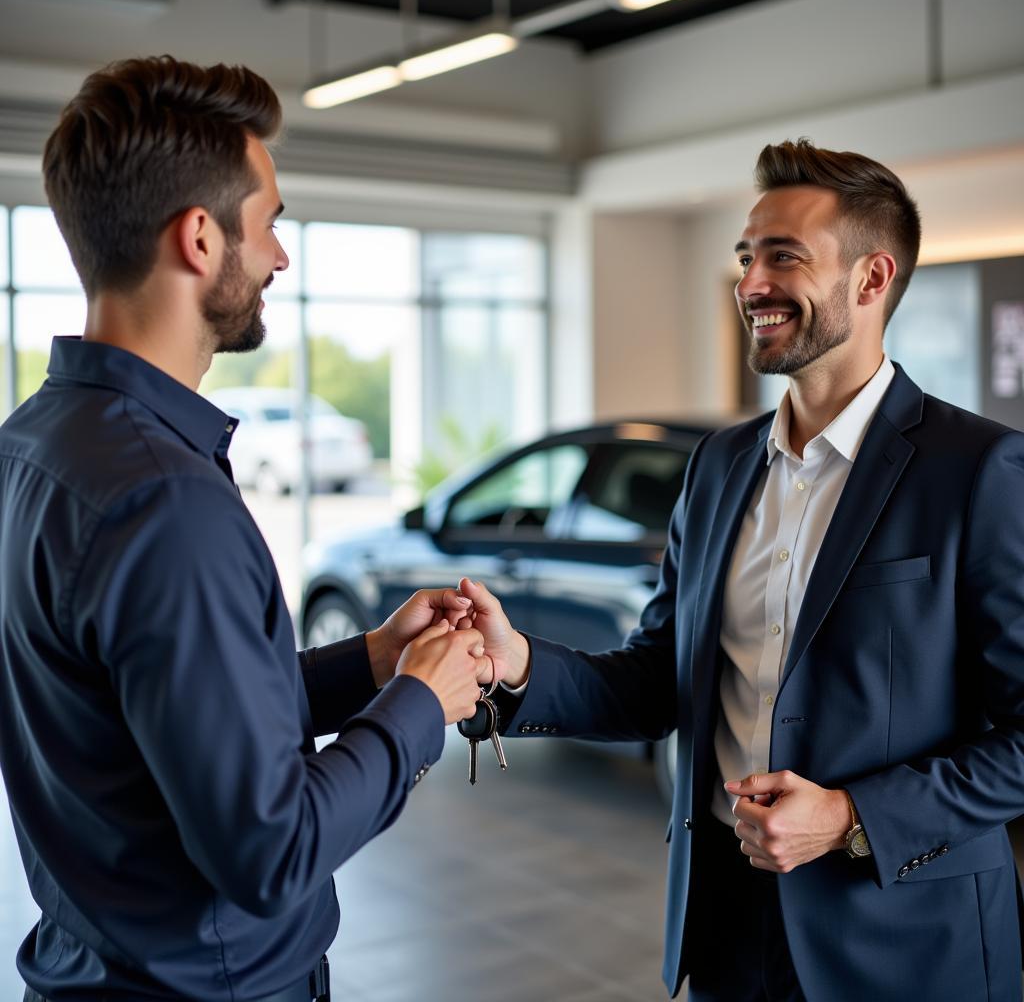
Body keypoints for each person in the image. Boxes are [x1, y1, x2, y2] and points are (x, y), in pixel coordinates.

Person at [453, 139, 1024, 1001]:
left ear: (872, 281)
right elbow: (657, 682)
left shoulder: (980, 470)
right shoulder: (718, 468)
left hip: (904, 939)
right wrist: (519, 664)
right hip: (724, 924)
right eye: (746, 257)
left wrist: (850, 818)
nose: (751, 284)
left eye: (784, 257)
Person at [0, 56, 491, 1002]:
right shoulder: (162, 500)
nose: (278, 256)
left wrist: (376, 664)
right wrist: (421, 706)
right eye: (268, 224)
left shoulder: (33, 445)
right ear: (197, 237)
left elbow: (179, 717)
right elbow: (272, 850)